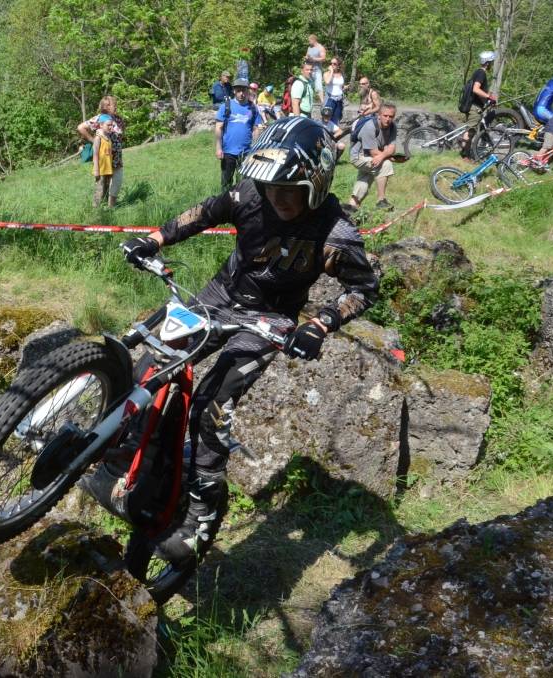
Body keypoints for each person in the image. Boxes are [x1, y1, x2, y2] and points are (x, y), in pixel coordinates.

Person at [119, 117, 379, 564]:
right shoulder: (249, 194)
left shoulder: (335, 234)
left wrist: (320, 325)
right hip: (218, 297)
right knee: (152, 362)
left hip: (269, 320)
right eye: (271, 186)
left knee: (210, 404)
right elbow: (203, 213)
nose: (277, 197)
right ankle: (132, 451)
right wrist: (154, 239)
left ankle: (201, 514)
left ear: (317, 182)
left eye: (289, 189)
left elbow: (364, 288)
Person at [348, 103, 398, 212]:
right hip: (358, 156)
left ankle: (351, 207)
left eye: (391, 116)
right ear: (379, 115)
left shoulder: (392, 126)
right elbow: (374, 152)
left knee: (364, 180)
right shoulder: (370, 127)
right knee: (385, 164)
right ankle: (381, 200)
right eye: (385, 116)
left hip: (370, 156)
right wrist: (387, 157)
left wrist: (384, 155)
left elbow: (392, 148)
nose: (388, 119)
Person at [215, 78, 262, 189]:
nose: (241, 93)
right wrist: (218, 148)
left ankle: (240, 200)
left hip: (246, 152)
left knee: (244, 184)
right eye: (238, 90)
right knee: (226, 183)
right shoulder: (226, 106)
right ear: (234, 91)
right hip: (228, 151)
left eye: (244, 90)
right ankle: (228, 199)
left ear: (248, 91)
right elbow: (218, 127)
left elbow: (256, 128)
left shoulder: (252, 108)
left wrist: (255, 148)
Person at [78, 96, 126, 205]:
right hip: (104, 159)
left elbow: (121, 134)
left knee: (116, 183)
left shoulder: (118, 119)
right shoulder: (99, 119)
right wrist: (93, 140)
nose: (116, 106)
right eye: (113, 104)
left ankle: (111, 207)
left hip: (117, 158)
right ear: (106, 106)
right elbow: (81, 127)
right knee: (102, 186)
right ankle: (99, 209)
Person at [460, 51, 498, 160]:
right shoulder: (481, 73)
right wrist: (489, 96)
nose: (492, 64)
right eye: (491, 62)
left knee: (471, 131)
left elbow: (478, 92)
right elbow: (476, 89)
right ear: (487, 62)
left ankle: (466, 154)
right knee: (470, 132)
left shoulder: (478, 72)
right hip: (474, 108)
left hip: (474, 106)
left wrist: (487, 100)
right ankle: (464, 155)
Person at [92, 115, 118, 207]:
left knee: (107, 189)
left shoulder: (108, 137)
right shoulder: (98, 138)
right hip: (101, 170)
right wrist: (96, 170)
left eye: (112, 125)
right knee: (99, 190)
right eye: (108, 125)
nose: (111, 127)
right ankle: (96, 208)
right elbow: (95, 154)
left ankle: (105, 206)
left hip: (108, 169)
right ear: (101, 125)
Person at [323, 57, 347, 124]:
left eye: (334, 64)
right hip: (330, 99)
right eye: (331, 63)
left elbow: (340, 87)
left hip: (339, 100)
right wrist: (331, 72)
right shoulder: (326, 74)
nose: (332, 65)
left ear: (338, 65)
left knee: (336, 120)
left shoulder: (341, 74)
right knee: (326, 120)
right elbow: (327, 82)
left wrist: (345, 87)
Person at [306, 35, 327, 103]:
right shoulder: (309, 47)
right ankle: (309, 102)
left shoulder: (320, 47)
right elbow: (307, 55)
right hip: (309, 70)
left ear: (313, 40)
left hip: (317, 70)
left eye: (309, 41)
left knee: (318, 87)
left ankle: (323, 102)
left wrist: (313, 59)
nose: (309, 42)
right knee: (309, 86)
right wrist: (306, 58)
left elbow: (323, 58)